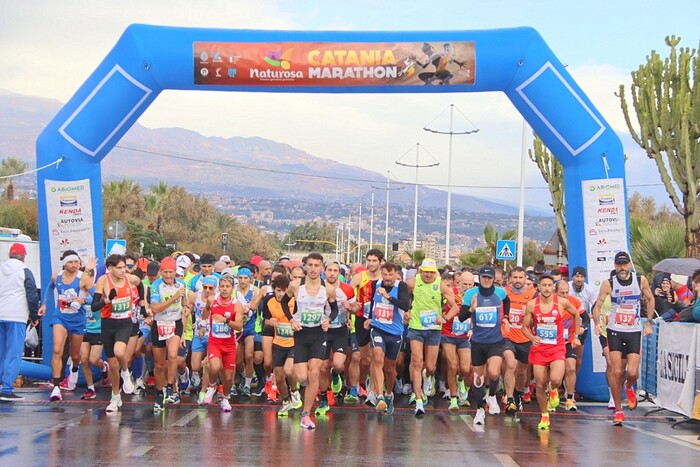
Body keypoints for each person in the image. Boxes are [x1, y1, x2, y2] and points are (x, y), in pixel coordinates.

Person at [592, 251, 654, 426]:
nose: (622, 268)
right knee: (617, 371)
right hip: (615, 331)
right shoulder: (608, 284)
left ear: (629, 265)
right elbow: (597, 306)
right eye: (619, 265)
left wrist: (648, 322)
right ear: (615, 266)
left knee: (632, 373)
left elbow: (650, 299)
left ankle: (628, 387)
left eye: (625, 264)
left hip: (634, 330)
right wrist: (597, 323)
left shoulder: (639, 280)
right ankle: (618, 410)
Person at [280, 252, 339, 430]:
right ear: (306, 266)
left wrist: (328, 319)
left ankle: (306, 414)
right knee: (302, 376)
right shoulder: (296, 285)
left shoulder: (328, 288)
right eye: (310, 265)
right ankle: (305, 394)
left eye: (317, 266)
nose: (313, 269)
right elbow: (284, 303)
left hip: (319, 334)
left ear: (321, 268)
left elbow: (334, 309)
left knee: (314, 372)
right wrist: (291, 319)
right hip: (301, 334)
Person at [522, 275, 581, 430]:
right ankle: (544, 415)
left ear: (553, 288)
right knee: (540, 384)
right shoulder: (531, 305)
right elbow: (524, 327)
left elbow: (576, 314)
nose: (547, 288)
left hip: (557, 347)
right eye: (544, 285)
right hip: (539, 349)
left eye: (549, 285)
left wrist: (575, 336)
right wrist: (531, 337)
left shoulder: (561, 302)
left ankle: (553, 389)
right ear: (538, 287)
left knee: (555, 378)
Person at [406, 258, 459, 416]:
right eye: (425, 272)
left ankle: (427, 376)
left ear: (435, 272)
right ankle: (418, 400)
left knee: (430, 367)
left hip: (434, 329)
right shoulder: (412, 283)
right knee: (417, 361)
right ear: (420, 271)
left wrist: (445, 318)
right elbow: (403, 297)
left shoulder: (441, 285)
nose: (428, 275)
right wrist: (407, 310)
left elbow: (455, 307)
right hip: (416, 327)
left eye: (431, 272)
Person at [41, 250, 96, 399]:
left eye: (77, 262)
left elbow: (97, 298)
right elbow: (50, 287)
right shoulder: (56, 276)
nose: (74, 265)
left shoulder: (84, 279)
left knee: (75, 355)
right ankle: (57, 387)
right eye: (71, 262)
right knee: (57, 349)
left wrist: (84, 301)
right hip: (61, 317)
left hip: (77, 319)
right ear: (64, 263)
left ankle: (74, 368)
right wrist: (44, 304)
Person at [91, 254, 143, 412]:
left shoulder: (129, 278)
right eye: (119, 268)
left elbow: (140, 284)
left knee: (119, 351)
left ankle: (126, 373)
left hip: (124, 323)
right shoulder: (103, 281)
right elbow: (94, 306)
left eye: (124, 267)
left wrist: (143, 300)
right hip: (108, 324)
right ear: (110, 268)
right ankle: (115, 396)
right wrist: (107, 300)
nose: (123, 270)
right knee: (113, 365)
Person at [458, 265, 509, 425]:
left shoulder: (500, 292)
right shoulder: (471, 294)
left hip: (495, 341)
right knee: (478, 379)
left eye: (489, 278)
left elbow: (507, 301)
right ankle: (480, 410)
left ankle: (492, 395)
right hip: (478, 342)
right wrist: (472, 309)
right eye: (483, 277)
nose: (486, 280)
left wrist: (506, 316)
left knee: (494, 373)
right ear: (479, 279)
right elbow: (461, 317)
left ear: (494, 279)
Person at [364, 262, 410, 415]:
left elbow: (405, 305)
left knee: (390, 369)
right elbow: (373, 302)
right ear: (381, 274)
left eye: (390, 275)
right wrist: (370, 318)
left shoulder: (401, 286)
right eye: (384, 275)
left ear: (396, 274)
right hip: (378, 328)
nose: (387, 278)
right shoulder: (375, 284)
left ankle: (389, 393)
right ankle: (379, 396)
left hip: (395, 332)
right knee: (377, 358)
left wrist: (388, 296)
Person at [0, 243, 40, 401]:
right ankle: (7, 389)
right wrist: (34, 316)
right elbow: (32, 295)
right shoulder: (25, 271)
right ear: (24, 256)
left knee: (1, 352)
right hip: (16, 316)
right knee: (14, 353)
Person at [150, 257, 189, 411]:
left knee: (172, 355)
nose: (167, 275)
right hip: (159, 323)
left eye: (170, 272)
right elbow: (155, 309)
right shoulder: (155, 286)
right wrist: (173, 298)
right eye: (165, 272)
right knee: (159, 364)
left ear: (175, 272)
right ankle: (160, 392)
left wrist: (186, 307)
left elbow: (185, 300)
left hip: (175, 323)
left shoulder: (182, 284)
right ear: (161, 272)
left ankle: (170, 386)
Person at [202, 273, 243, 412]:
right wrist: (202, 324)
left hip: (230, 344)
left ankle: (225, 397)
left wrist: (225, 320)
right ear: (219, 288)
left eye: (227, 286)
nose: (224, 289)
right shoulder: (212, 300)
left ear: (232, 288)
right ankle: (212, 386)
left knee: (228, 376)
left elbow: (239, 326)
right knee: (214, 367)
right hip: (214, 342)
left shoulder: (236, 304)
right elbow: (206, 310)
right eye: (222, 286)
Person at [348, 249, 384, 404]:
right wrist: (348, 317)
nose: (371, 263)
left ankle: (372, 390)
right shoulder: (359, 277)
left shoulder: (385, 278)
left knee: (376, 357)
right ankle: (359, 383)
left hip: (380, 321)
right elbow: (348, 297)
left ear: (381, 262)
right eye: (368, 260)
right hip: (361, 320)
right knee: (363, 358)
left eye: (374, 260)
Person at [263, 274, 302, 416]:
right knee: (278, 376)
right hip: (278, 343)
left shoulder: (294, 301)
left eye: (284, 291)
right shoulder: (268, 301)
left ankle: (294, 390)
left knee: (289, 370)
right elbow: (265, 321)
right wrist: (270, 322)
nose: (281, 294)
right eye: (278, 290)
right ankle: (286, 400)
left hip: (293, 343)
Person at [502, 266, 536, 416]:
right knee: (511, 364)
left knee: (522, 371)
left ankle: (517, 394)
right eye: (515, 277)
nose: (517, 280)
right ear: (510, 279)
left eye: (520, 278)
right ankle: (509, 399)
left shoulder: (533, 295)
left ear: (525, 279)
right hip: (507, 335)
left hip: (525, 337)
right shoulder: (503, 293)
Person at [440, 271, 473, 411]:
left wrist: (473, 327)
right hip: (448, 333)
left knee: (465, 368)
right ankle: (454, 399)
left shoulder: (475, 295)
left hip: (465, 335)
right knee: (453, 366)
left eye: (470, 284)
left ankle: (461, 382)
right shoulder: (450, 293)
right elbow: (440, 308)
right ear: (458, 282)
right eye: (464, 283)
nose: (467, 287)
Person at [554, 280, 586, 411]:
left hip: (569, 340)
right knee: (553, 373)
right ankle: (552, 393)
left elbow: (586, 317)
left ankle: (569, 398)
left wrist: (582, 328)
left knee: (571, 368)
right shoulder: (549, 303)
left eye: (567, 292)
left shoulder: (574, 302)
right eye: (562, 293)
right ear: (555, 292)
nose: (565, 295)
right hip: (553, 342)